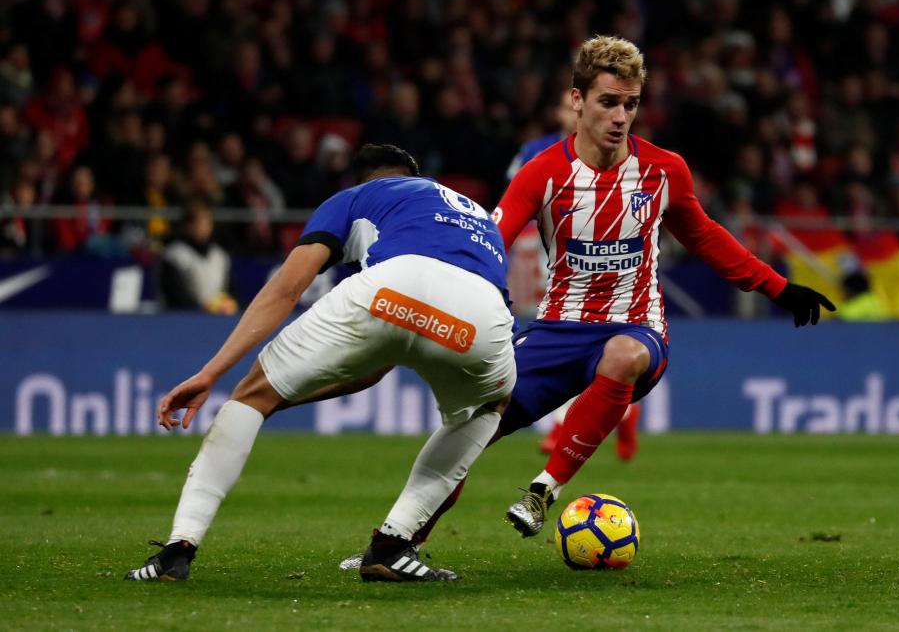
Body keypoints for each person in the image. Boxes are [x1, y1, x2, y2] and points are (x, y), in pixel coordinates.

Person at [358, 35, 834, 551]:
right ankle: (395, 543)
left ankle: (544, 489)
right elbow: (489, 242)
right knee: (468, 432)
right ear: (578, 100)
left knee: (622, 355)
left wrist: (778, 288)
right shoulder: (541, 175)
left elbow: (704, 236)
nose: (621, 117)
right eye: (609, 102)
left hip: (638, 327)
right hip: (557, 329)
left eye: (630, 104)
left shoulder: (663, 170)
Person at [126, 144, 515, 583]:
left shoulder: (355, 198)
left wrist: (225, 381)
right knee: (487, 410)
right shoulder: (477, 216)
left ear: (366, 179)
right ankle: (392, 546)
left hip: (394, 286)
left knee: (251, 394)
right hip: (482, 315)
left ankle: (178, 550)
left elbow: (286, 290)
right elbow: (376, 365)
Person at [506, 89, 642, 461]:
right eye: (567, 108)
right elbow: (516, 202)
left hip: (588, 265)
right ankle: (621, 413)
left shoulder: (615, 153)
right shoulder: (535, 152)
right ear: (563, 110)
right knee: (557, 341)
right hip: (540, 256)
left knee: (575, 342)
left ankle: (567, 427)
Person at [159, 200, 237, 314]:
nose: (206, 228)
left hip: (218, 316)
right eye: (201, 223)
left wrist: (226, 304)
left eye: (208, 223)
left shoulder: (220, 255)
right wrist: (203, 309)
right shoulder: (175, 255)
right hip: (184, 318)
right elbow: (174, 296)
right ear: (188, 226)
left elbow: (230, 290)